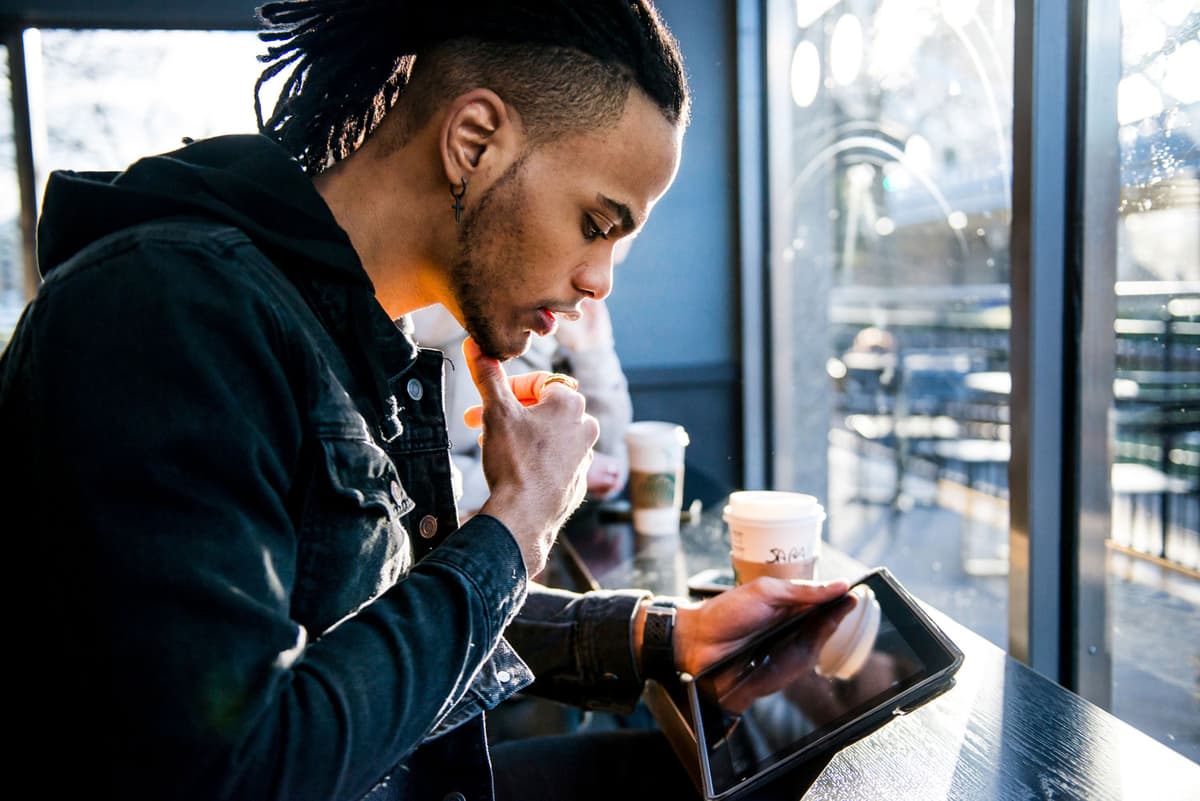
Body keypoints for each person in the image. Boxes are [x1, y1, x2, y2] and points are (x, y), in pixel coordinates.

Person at [0, 3, 850, 800]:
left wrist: (664, 638)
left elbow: (381, 620)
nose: (598, 281)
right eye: (597, 222)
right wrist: (517, 527)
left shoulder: (354, 337)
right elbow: (238, 765)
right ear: (474, 139)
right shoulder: (167, 310)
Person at [408, 294, 632, 517]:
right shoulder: (444, 338)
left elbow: (611, 465)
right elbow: (414, 477)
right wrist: (545, 475)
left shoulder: (562, 325)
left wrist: (591, 353)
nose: (598, 286)